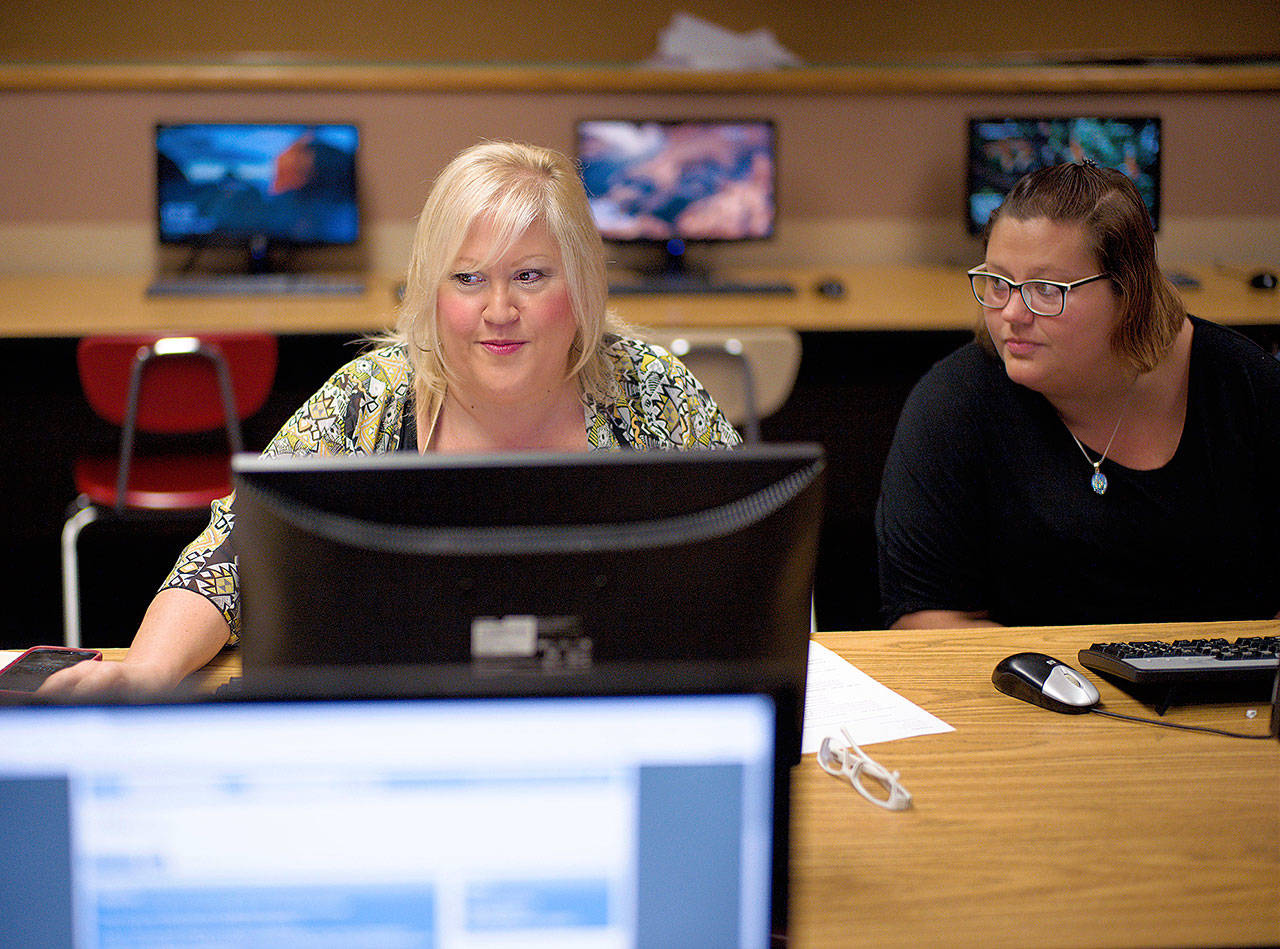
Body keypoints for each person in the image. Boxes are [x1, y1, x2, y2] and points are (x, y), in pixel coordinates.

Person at [44, 140, 741, 698]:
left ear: (583, 286)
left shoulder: (651, 392)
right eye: (467, 278)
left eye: (530, 275)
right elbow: (231, 554)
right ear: (431, 293)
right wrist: (144, 672)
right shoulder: (370, 397)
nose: (499, 310)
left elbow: (754, 546)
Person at [876, 161, 1280, 629]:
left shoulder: (1245, 386)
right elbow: (927, 622)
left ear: (1130, 294)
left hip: (1227, 697)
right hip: (1035, 695)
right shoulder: (954, 405)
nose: (1012, 312)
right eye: (999, 282)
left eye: (1046, 289)